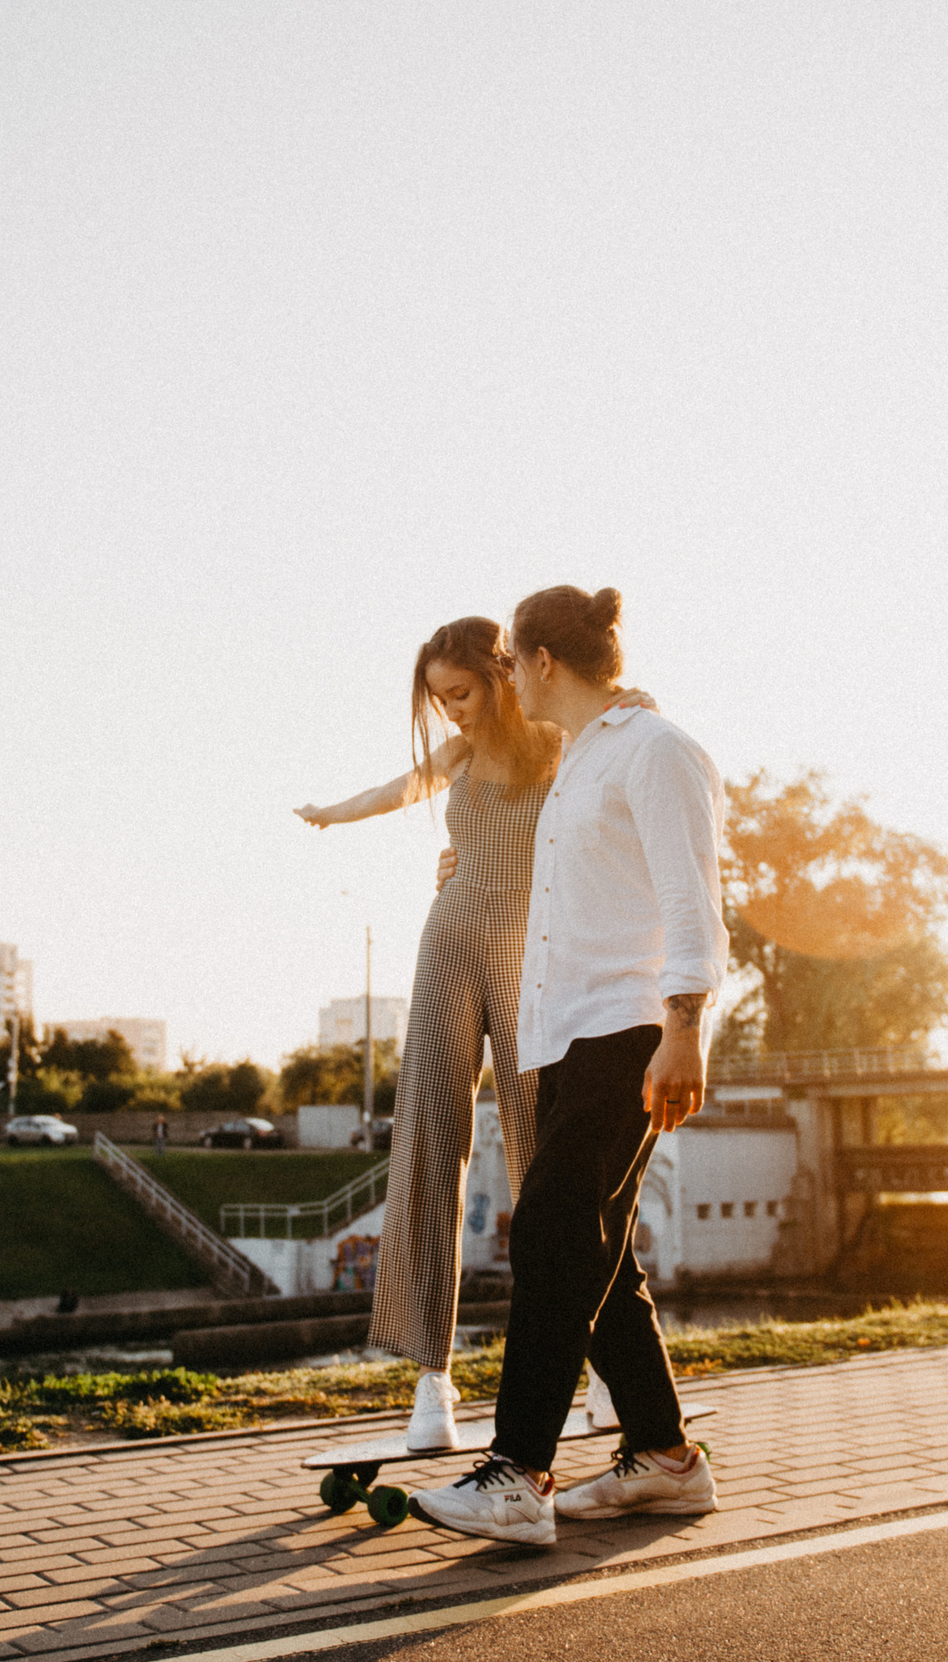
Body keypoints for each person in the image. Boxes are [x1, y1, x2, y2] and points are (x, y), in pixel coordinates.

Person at [411, 585, 726, 1547]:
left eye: (509, 659)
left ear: (546, 660)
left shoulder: (655, 750)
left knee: (551, 1230)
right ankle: (667, 1461)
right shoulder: (581, 760)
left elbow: (693, 898)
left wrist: (685, 1025)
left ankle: (518, 1473)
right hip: (566, 1038)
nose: (502, 675)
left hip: (628, 1029)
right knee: (598, 1250)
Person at [295, 618, 653, 1451]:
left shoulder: (566, 744)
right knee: (428, 1134)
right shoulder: (456, 757)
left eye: (459, 692)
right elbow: (392, 793)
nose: (450, 712)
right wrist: (327, 815)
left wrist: (637, 699)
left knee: (550, 1160)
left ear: (503, 673)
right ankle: (432, 1379)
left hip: (539, 961)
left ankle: (598, 1367)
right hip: (451, 941)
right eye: (437, 699)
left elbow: (620, 742)